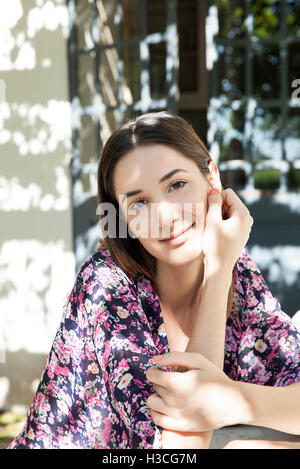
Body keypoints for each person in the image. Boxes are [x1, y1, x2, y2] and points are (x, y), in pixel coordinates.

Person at [8, 112, 300, 449]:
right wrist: (217, 272)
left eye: (176, 185)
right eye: (140, 202)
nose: (165, 216)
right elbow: (177, 446)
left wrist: (232, 399)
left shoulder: (238, 272)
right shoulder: (106, 284)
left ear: (212, 178)